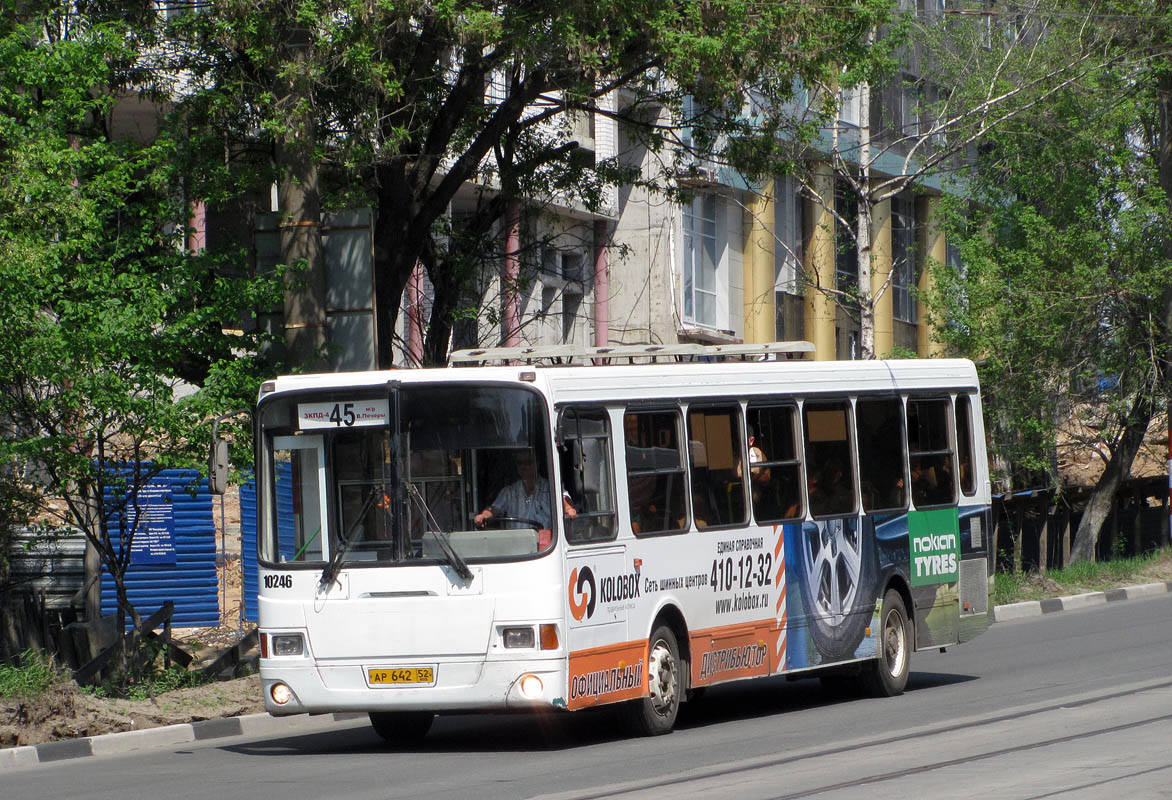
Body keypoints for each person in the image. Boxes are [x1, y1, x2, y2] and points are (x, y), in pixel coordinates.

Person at [474, 451, 574, 529]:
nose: (523, 467)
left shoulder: (552, 488)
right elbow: (494, 509)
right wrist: (483, 516)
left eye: (528, 463)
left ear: (537, 464)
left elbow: (565, 502)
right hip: (517, 545)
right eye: (520, 463)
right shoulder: (509, 492)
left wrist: (569, 510)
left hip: (546, 545)